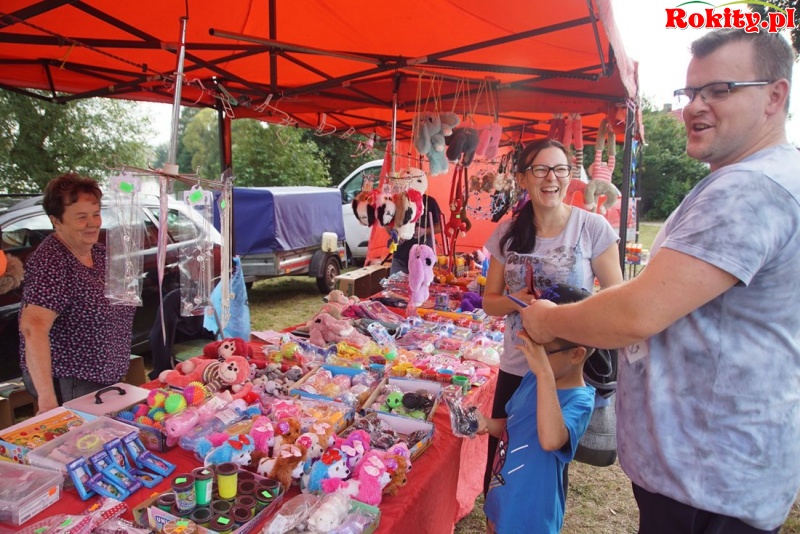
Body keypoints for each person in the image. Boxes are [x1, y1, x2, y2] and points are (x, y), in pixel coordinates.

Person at [521, 29, 799, 534]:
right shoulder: (752, 177)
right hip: (706, 475)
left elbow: (637, 312)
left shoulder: (750, 188)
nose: (696, 106)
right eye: (690, 92)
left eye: (719, 90)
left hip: (710, 485)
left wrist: (549, 320)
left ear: (774, 96)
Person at [481, 138, 623, 493]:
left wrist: (565, 315)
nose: (551, 178)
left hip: (564, 373)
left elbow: (617, 298)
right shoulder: (507, 233)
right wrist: (516, 301)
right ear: (522, 178)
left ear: (569, 176)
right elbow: (489, 302)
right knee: (500, 467)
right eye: (540, 169)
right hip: (517, 365)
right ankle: (498, 517)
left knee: (544, 467)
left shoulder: (592, 228)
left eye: (560, 169)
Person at [478, 283, 596, 533]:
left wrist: (544, 374)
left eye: (541, 349)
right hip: (504, 497)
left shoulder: (579, 400)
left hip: (531, 515)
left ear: (576, 354)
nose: (529, 353)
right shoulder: (532, 378)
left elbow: (551, 440)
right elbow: (514, 427)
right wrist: (486, 424)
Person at [19, 173, 136, 413]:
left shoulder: (100, 253)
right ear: (56, 221)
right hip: (71, 380)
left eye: (96, 214)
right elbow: (33, 328)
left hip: (105, 377)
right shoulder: (52, 261)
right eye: (81, 217)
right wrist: (48, 401)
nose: (92, 223)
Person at [390, 192, 442, 275]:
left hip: (423, 259)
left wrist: (424, 231)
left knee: (422, 283)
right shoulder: (398, 199)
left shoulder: (430, 201)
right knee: (395, 282)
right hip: (400, 257)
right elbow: (386, 223)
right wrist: (395, 235)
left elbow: (441, 226)